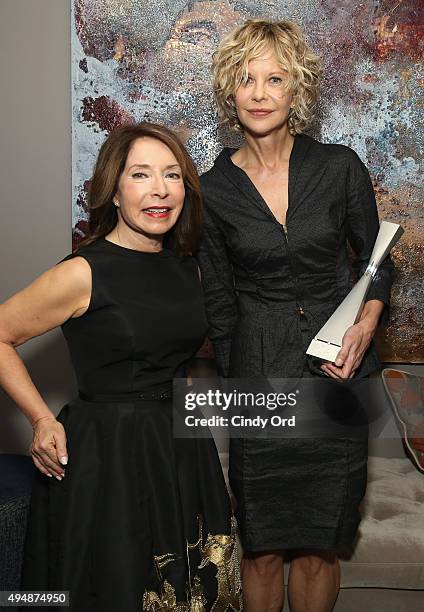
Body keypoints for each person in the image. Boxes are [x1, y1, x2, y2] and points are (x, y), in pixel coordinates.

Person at [0, 122, 242, 611]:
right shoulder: (82, 271)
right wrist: (42, 419)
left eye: (172, 175)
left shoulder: (185, 266)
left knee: (188, 586)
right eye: (141, 175)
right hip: (106, 456)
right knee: (110, 586)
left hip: (178, 445)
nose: (159, 190)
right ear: (113, 190)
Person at [197, 19, 393, 612]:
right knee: (259, 545)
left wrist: (366, 325)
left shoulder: (339, 168)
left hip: (338, 373)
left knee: (317, 546)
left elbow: (378, 263)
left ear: (296, 90)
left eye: (274, 78)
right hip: (260, 379)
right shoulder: (212, 190)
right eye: (246, 78)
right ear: (230, 91)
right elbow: (220, 304)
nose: (259, 92)